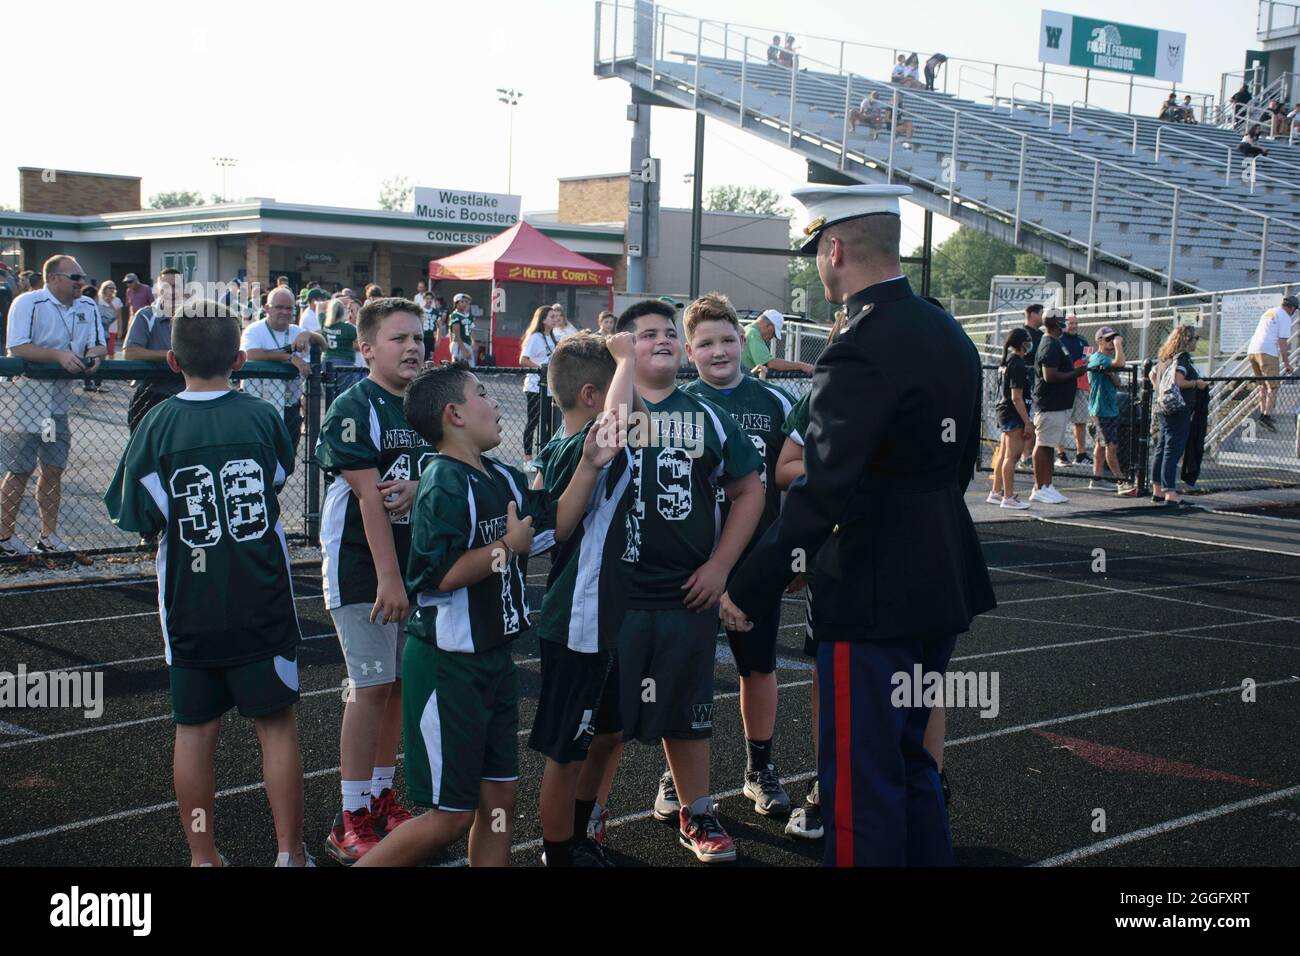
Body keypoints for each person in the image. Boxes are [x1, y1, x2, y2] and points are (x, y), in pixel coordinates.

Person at [721, 183, 995, 866]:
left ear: (835, 249)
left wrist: (748, 585)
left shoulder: (858, 346)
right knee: (912, 766)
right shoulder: (949, 332)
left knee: (858, 787)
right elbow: (958, 465)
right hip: (941, 577)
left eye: (818, 250)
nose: (819, 262)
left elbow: (822, 494)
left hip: (871, 592)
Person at [352, 365, 618, 867]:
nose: (495, 404)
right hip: (450, 666)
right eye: (481, 395)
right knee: (449, 816)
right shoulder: (443, 483)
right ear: (454, 415)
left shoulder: (501, 475)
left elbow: (556, 523)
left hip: (494, 660)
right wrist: (504, 549)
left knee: (499, 804)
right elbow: (436, 576)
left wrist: (589, 464)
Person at [103, 299, 310, 867]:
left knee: (194, 731)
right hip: (261, 594)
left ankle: (202, 853)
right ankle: (290, 852)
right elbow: (276, 475)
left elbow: (135, 512)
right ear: (240, 359)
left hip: (190, 603)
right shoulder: (262, 417)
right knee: (276, 727)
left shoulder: (157, 422)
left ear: (172, 360)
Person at [612, 298, 765, 864]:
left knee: (690, 711)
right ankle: (590, 817)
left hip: (686, 590)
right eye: (646, 333)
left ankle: (697, 810)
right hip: (615, 593)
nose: (663, 340)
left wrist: (721, 566)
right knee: (607, 718)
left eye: (669, 332)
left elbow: (751, 489)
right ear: (622, 346)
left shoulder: (708, 415)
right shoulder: (605, 407)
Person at [314, 297, 429, 863]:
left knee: (399, 685)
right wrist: (389, 577)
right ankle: (351, 812)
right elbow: (368, 497)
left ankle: (381, 797)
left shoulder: (428, 404)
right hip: (365, 565)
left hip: (412, 565)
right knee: (370, 686)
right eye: (398, 338)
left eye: (419, 337)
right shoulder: (355, 406)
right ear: (365, 350)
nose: (412, 347)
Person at [681, 292, 796, 818]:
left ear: (742, 341)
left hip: (758, 563)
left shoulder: (774, 402)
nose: (720, 351)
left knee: (758, 667)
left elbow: (793, 482)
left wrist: (795, 556)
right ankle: (677, 775)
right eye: (706, 343)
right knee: (690, 672)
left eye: (728, 339)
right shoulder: (674, 405)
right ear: (689, 349)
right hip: (693, 567)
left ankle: (760, 767)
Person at [528, 331, 638, 866]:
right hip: (579, 619)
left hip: (608, 617)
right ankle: (558, 850)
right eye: (621, 381)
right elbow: (615, 429)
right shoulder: (580, 446)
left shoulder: (588, 439)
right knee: (566, 748)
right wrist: (625, 357)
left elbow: (624, 419)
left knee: (609, 732)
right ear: (594, 397)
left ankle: (576, 831)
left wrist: (625, 366)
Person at [0, 255, 106, 555]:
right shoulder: (28, 302)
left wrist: (96, 358)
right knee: (20, 469)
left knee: (53, 467)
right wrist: (59, 356)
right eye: (75, 277)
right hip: (25, 398)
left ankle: (48, 536)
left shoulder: (87, 305)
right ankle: (4, 536)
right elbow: (17, 346)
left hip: (58, 403)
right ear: (53, 278)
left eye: (82, 276)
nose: (81, 282)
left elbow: (98, 344)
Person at [240, 286, 326, 457]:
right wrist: (290, 358)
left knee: (286, 459)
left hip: (289, 408)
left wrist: (308, 335)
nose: (285, 312)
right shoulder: (255, 329)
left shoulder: (296, 331)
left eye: (289, 308)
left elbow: (324, 345)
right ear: (267, 308)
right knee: (258, 456)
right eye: (279, 307)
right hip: (258, 407)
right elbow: (251, 353)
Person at [1030, 313, 1088, 504]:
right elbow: (1050, 376)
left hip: (1058, 403)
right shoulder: (1049, 344)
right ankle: (1040, 487)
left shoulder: (1056, 341)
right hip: (1050, 403)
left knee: (1049, 446)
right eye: (1062, 319)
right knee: (1044, 444)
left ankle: (1047, 485)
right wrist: (1076, 373)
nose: (1065, 323)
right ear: (1055, 323)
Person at [1149, 325, 1209, 506]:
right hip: (1178, 408)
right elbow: (1178, 382)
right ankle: (1169, 492)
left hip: (1163, 407)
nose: (1196, 342)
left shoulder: (1164, 358)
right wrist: (1196, 383)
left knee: (1162, 447)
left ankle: (1157, 489)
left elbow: (1152, 375)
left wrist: (1160, 392)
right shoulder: (1181, 359)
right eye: (1194, 339)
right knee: (1172, 448)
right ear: (1186, 340)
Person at [124, 268, 185, 433]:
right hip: (151, 394)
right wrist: (172, 355)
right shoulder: (145, 315)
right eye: (166, 286)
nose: (171, 291)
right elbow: (130, 352)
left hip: (187, 395)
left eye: (175, 286)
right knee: (144, 450)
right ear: (158, 289)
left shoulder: (193, 317)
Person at [1085, 326, 1136, 495]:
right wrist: (1119, 345)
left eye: (1113, 338)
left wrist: (1111, 375)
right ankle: (1121, 481)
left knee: (1101, 446)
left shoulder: (1107, 361)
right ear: (1099, 341)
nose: (1111, 342)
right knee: (1111, 446)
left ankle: (1097, 479)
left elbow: (1117, 382)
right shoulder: (1099, 358)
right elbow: (1120, 364)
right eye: (1108, 339)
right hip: (1102, 410)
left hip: (1110, 409)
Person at [989, 327, 1033, 510]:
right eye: (1028, 341)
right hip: (1013, 414)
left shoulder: (1007, 362)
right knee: (1012, 457)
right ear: (1023, 344)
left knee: (1004, 454)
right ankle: (1008, 497)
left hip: (1004, 412)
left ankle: (996, 491)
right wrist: (1027, 422)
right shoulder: (1017, 364)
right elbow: (1016, 397)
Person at [519, 305, 563, 468]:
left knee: (550, 423)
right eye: (551, 316)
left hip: (550, 388)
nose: (555, 319)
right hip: (535, 387)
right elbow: (523, 359)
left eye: (556, 316)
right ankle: (528, 459)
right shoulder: (535, 337)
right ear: (543, 319)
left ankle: (546, 457)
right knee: (533, 421)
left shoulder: (552, 337)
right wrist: (542, 370)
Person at [1246, 294, 1296, 431]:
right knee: (1273, 386)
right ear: (1291, 308)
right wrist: (1286, 363)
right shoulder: (1285, 316)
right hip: (1267, 352)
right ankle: (1266, 416)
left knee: (1262, 384)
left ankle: (1263, 413)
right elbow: (1282, 342)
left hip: (1252, 350)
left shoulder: (1270, 311)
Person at [1058, 314, 1091, 467]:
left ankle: (1081, 454)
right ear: (1065, 324)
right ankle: (1061, 454)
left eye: (1076, 323)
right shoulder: (1058, 340)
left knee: (1080, 421)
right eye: (1071, 323)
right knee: (1061, 421)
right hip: (1063, 386)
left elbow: (1087, 360)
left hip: (1079, 387)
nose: (1074, 326)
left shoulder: (1083, 341)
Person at [741, 308, 814, 375]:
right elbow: (771, 363)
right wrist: (801, 366)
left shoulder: (748, 329)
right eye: (773, 333)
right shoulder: (753, 333)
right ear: (768, 326)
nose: (771, 337)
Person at [320, 297, 360, 368]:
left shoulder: (324, 323)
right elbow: (359, 345)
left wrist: (336, 301)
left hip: (326, 361)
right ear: (343, 312)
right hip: (344, 362)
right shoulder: (349, 328)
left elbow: (320, 306)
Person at [447, 293, 475, 366]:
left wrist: (473, 342)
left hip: (467, 343)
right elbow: (457, 335)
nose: (464, 304)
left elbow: (470, 332)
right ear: (456, 303)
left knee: (471, 368)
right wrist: (464, 350)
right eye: (462, 302)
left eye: (466, 302)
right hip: (459, 344)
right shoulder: (455, 315)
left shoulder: (469, 316)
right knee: (458, 369)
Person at [97, 280, 123, 358]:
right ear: (104, 288)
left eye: (113, 288)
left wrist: (120, 329)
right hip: (101, 328)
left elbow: (118, 316)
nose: (112, 290)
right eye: (110, 288)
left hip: (112, 328)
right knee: (102, 350)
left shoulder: (117, 300)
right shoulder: (99, 299)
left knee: (110, 350)